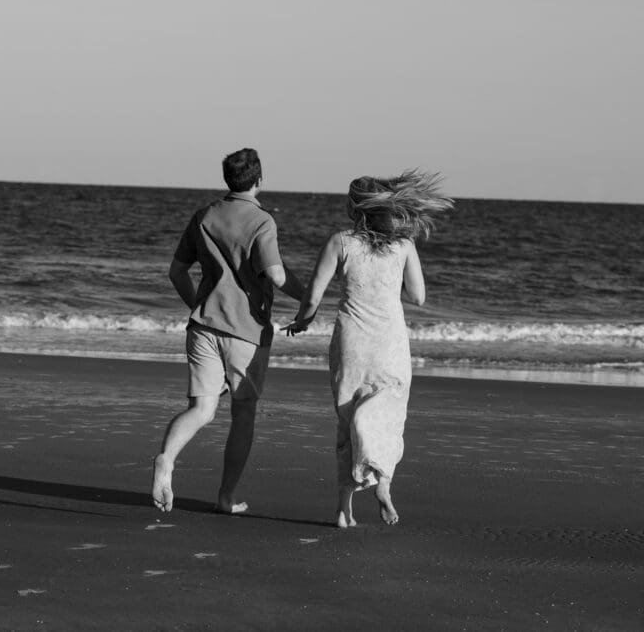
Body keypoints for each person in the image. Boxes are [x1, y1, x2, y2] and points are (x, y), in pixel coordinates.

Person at [283, 170, 452, 527]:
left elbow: (313, 295)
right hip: (389, 342)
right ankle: (384, 482)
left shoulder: (340, 241)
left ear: (354, 208)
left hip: (352, 342)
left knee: (347, 422)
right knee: (388, 415)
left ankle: (344, 511)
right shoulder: (404, 245)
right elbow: (419, 297)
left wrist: (302, 321)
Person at [152, 148, 305, 514]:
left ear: (228, 179)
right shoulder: (262, 221)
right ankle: (226, 495)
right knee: (244, 412)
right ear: (259, 180)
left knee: (202, 409)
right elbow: (277, 275)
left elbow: (176, 272)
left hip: (203, 325)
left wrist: (197, 305)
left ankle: (166, 459)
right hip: (246, 331)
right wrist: (309, 298)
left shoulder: (204, 216)